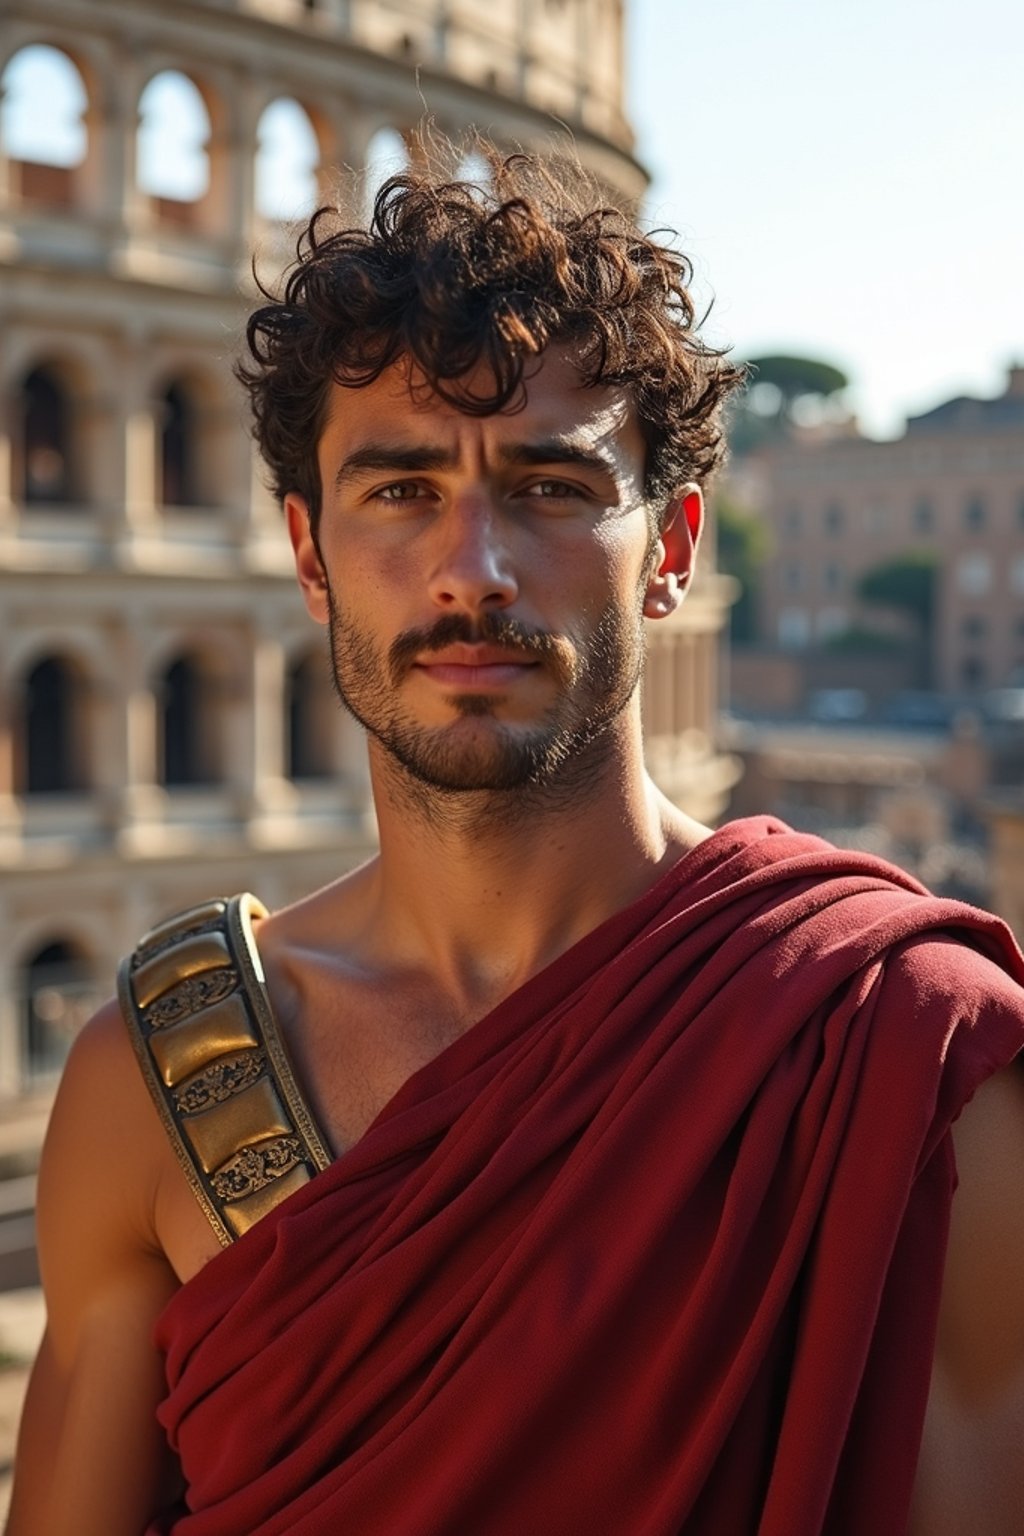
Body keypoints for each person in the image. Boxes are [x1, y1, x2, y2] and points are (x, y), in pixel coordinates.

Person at [8, 148, 1024, 1536]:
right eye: (400, 490)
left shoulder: (911, 1048)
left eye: (550, 487)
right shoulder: (156, 1089)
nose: (469, 569)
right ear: (309, 550)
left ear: (669, 548)